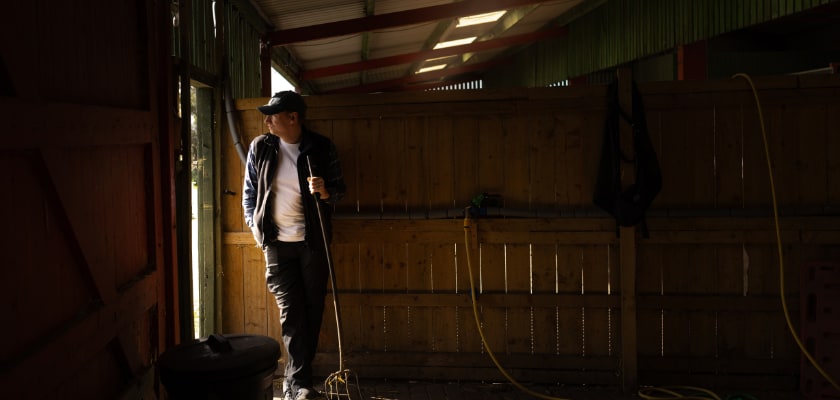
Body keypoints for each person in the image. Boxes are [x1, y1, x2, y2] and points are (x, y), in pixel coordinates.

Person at [242, 90, 345, 400]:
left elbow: (340, 192)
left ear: (293, 117)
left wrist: (325, 191)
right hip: (276, 244)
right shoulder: (261, 147)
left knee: (312, 311)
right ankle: (298, 385)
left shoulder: (321, 148)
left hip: (313, 244)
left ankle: (296, 383)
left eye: (273, 114)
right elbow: (249, 193)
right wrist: (255, 228)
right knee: (292, 312)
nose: (267, 120)